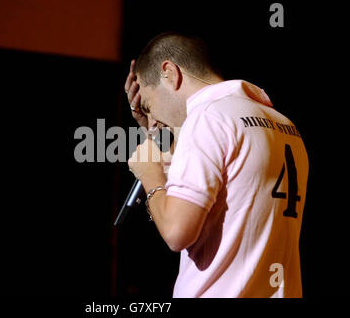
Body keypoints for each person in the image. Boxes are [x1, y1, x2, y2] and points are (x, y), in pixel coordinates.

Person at [124, 32, 308, 298]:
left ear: (170, 73)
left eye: (150, 105)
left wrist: (149, 174)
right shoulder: (281, 122)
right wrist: (155, 139)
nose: (153, 121)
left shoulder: (207, 117)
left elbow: (177, 232)